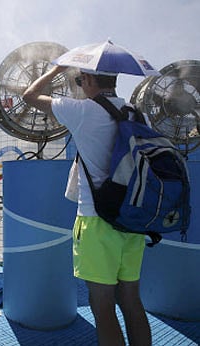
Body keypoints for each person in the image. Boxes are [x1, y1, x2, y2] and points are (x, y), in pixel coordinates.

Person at [22, 65, 151, 346]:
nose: (80, 85)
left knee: (102, 304)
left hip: (97, 220)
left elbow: (29, 96)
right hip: (134, 219)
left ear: (89, 79)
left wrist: (57, 69)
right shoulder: (137, 114)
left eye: (80, 80)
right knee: (131, 299)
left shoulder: (82, 111)